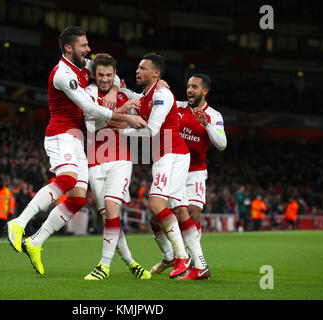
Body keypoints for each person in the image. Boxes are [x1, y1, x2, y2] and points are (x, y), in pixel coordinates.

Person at [6, 26, 147, 275]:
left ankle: (35, 242)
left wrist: (114, 90)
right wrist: (125, 117)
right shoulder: (63, 74)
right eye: (84, 45)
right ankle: (19, 223)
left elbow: (110, 75)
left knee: (77, 199)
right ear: (69, 48)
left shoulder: (85, 65)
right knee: (68, 179)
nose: (88, 49)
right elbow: (91, 110)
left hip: (76, 138)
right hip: (61, 135)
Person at [118, 53, 191, 279]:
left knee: (156, 203)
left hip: (174, 155)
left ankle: (183, 257)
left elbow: (151, 129)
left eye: (143, 68)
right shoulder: (147, 95)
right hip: (161, 158)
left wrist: (121, 130)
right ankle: (169, 257)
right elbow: (135, 98)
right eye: (138, 68)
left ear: (156, 74)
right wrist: (118, 90)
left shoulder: (162, 94)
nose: (137, 71)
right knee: (155, 218)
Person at [148, 74, 227, 280]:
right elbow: (158, 102)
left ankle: (194, 263)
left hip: (195, 172)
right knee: (155, 217)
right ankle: (171, 257)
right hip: (173, 167)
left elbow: (222, 144)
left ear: (205, 91)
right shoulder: (178, 107)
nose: (189, 90)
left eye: (194, 87)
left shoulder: (214, 115)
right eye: (188, 86)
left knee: (192, 211)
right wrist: (160, 87)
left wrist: (207, 124)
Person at [83, 53, 151, 280]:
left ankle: (103, 266)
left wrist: (124, 125)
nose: (104, 79)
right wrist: (122, 114)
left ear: (114, 75)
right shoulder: (87, 93)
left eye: (109, 75)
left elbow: (143, 116)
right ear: (95, 74)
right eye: (100, 74)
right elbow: (94, 123)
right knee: (109, 218)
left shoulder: (125, 93)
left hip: (121, 159)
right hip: (95, 163)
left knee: (113, 208)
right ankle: (131, 263)